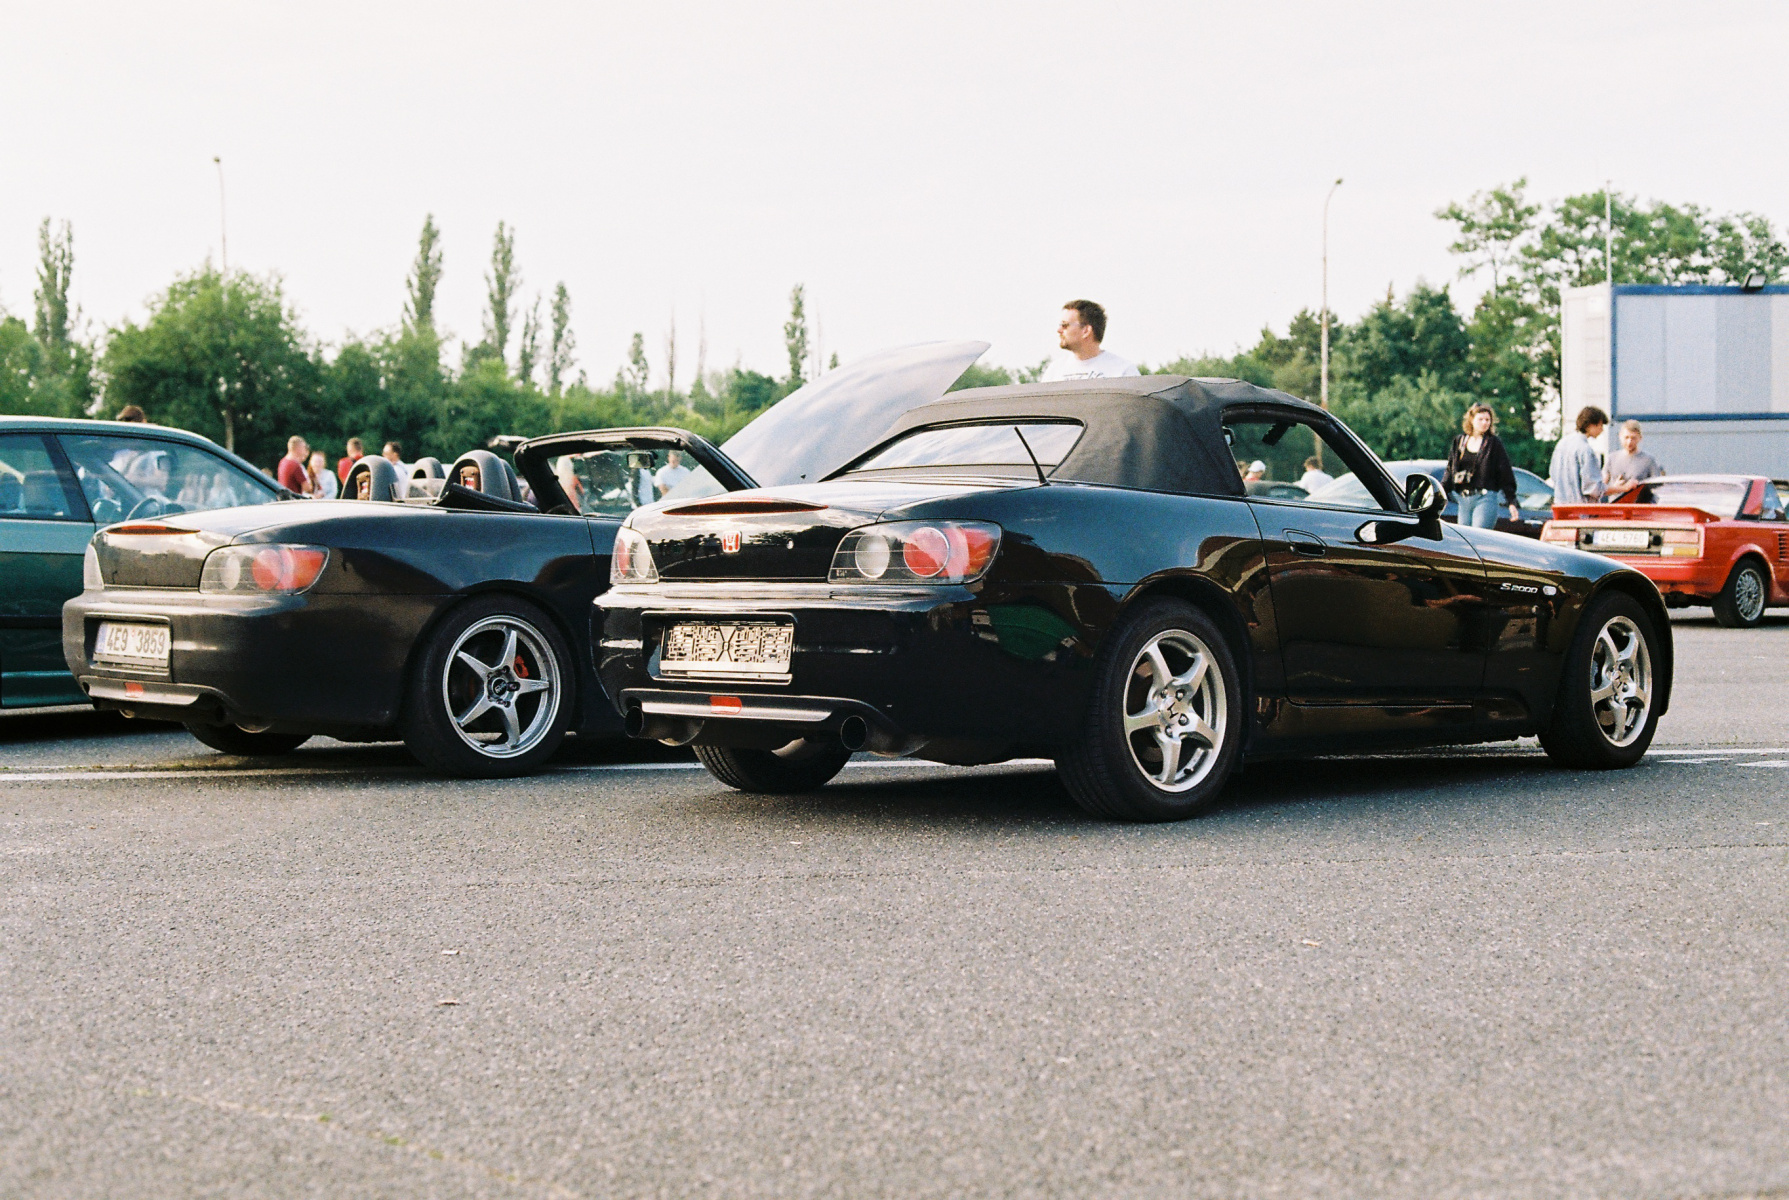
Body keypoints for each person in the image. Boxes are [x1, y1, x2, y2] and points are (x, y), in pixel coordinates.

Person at [1445, 403, 1520, 528]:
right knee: (1464, 537)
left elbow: (1505, 472)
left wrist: (1511, 501)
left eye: (1487, 420)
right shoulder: (1460, 441)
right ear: (1472, 420)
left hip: (1485, 498)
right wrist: (1440, 493)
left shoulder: (1493, 444)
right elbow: (1450, 470)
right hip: (1463, 499)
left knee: (1477, 535)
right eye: (1480, 419)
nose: (1485, 423)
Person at [1042, 300, 1139, 381]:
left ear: (1086, 331)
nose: (1059, 330)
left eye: (1065, 325)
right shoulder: (1054, 372)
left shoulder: (1124, 371)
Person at [1549, 405, 1608, 507]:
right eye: (1600, 425)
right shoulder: (1586, 450)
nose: (1602, 430)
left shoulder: (1562, 444)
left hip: (1560, 507)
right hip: (1579, 509)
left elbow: (1553, 474)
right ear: (1590, 425)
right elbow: (1593, 489)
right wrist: (1621, 488)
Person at [1605, 420, 1664, 497]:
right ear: (1620, 436)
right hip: (1616, 503)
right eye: (1626, 437)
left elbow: (1658, 488)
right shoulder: (1611, 459)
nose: (1629, 442)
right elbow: (1600, 488)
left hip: (1639, 503)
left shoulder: (1648, 460)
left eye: (1633, 438)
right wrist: (1615, 488)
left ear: (1640, 438)